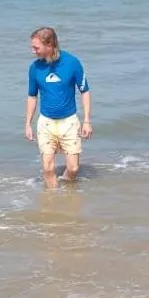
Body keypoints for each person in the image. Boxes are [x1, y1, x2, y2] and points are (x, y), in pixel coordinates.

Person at [24, 26, 91, 188]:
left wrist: (87, 120)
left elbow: (85, 91)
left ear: (49, 45)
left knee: (73, 169)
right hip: (46, 123)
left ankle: (67, 194)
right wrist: (28, 123)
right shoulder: (34, 68)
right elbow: (32, 96)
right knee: (48, 168)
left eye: (36, 47)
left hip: (69, 122)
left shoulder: (72, 63)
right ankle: (53, 201)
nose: (33, 51)